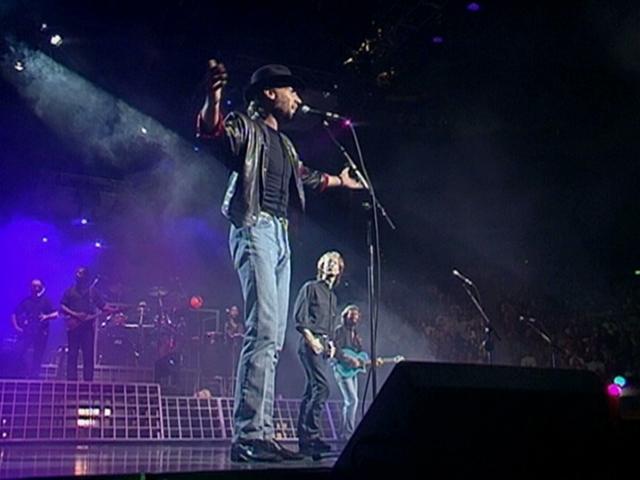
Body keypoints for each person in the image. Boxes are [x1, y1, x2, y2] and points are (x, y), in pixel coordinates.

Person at [197, 61, 362, 462]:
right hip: (254, 228)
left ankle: (262, 433)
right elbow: (213, 133)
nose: (298, 99)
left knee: (273, 338)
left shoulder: (284, 145)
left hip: (280, 236)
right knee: (264, 332)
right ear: (270, 92)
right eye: (292, 91)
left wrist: (341, 181)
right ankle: (250, 434)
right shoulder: (246, 127)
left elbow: (304, 177)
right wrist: (214, 97)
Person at [294, 251, 344, 456]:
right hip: (310, 343)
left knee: (312, 389)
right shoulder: (310, 288)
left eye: (335, 263)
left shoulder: (333, 296)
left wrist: (330, 344)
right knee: (322, 388)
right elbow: (300, 317)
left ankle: (305, 438)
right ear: (320, 266)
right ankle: (311, 434)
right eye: (328, 262)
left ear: (340, 269)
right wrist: (311, 339)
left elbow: (330, 326)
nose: (331, 265)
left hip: (323, 345)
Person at [60, 267, 116, 381]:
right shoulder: (70, 291)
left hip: (87, 328)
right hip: (74, 327)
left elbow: (102, 305)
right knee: (72, 354)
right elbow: (62, 306)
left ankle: (88, 383)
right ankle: (71, 382)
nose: (77, 275)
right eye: (77, 273)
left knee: (88, 355)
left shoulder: (92, 292)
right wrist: (75, 314)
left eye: (80, 273)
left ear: (85, 276)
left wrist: (114, 309)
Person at [331, 304, 365, 440]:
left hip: (351, 371)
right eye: (352, 316)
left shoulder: (355, 334)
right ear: (345, 316)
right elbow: (336, 350)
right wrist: (348, 359)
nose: (354, 319)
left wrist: (363, 360)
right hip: (341, 369)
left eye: (356, 316)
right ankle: (348, 433)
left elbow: (359, 353)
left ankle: (345, 432)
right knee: (352, 400)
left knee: (350, 401)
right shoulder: (339, 331)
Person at [11, 279, 58, 378]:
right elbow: (14, 313)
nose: (36, 288)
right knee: (20, 351)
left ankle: (34, 376)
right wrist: (16, 327)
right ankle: (21, 373)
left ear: (41, 287)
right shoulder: (26, 301)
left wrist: (46, 316)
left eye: (38, 286)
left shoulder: (46, 300)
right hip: (28, 331)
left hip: (41, 332)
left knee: (38, 355)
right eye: (34, 286)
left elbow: (56, 314)